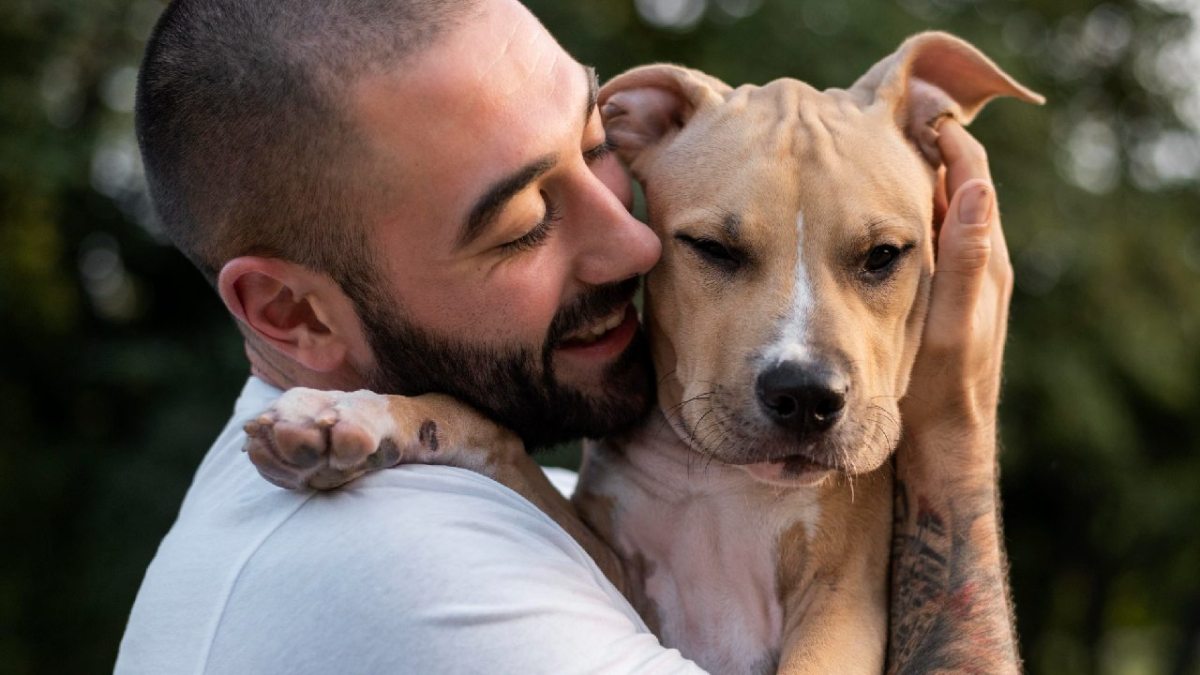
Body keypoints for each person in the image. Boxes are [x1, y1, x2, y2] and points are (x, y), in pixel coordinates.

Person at [115, 0, 1020, 672]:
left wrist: (469, 440)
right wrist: (953, 437)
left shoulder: (514, 489)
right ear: (293, 314)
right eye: (519, 223)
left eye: (597, 149)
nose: (635, 243)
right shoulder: (404, 575)